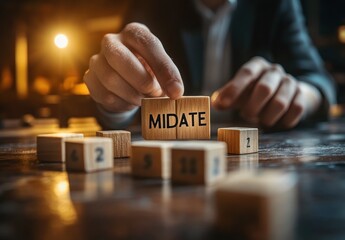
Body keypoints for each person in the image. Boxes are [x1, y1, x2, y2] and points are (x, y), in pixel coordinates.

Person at [84, 0, 336, 130]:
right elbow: (120, 77)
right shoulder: (152, 4)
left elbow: (318, 80)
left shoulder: (277, 3)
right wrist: (116, 102)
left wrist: (300, 95)